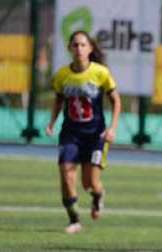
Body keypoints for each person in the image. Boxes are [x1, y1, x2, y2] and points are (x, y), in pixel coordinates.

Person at [45, 30, 121, 233]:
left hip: (95, 136)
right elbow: (59, 99)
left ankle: (98, 196)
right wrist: (52, 122)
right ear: (69, 48)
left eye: (83, 45)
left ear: (90, 48)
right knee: (66, 173)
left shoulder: (100, 73)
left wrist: (112, 128)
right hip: (70, 133)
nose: (79, 48)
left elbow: (116, 100)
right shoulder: (62, 74)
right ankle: (74, 220)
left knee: (89, 183)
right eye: (75, 45)